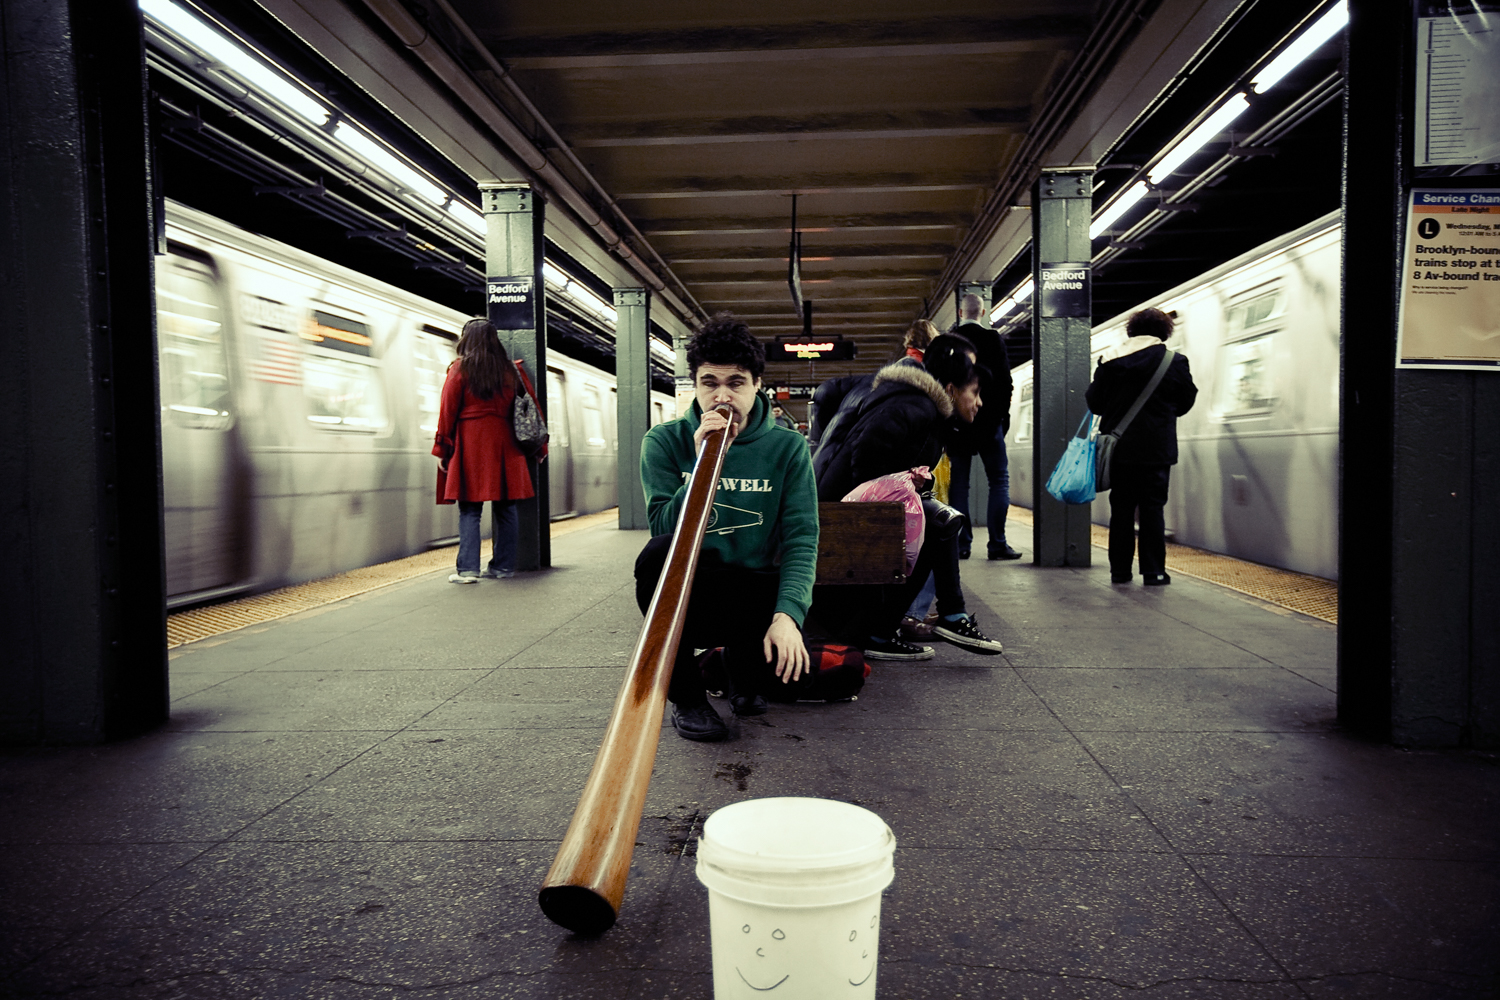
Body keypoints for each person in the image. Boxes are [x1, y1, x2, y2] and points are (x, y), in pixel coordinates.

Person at [637, 313, 820, 741]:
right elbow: (663, 528)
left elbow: (801, 537)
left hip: (754, 593)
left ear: (758, 384)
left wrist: (788, 616)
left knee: (790, 685)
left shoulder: (787, 447)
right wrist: (704, 467)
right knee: (656, 556)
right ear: (695, 386)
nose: (723, 395)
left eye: (736, 382)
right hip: (694, 592)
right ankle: (688, 697)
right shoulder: (664, 442)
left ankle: (742, 668)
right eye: (710, 383)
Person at [813, 334, 1004, 659]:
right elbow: (866, 452)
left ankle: (920, 621)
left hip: (830, 505)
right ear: (950, 388)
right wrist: (892, 498)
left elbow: (827, 392)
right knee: (938, 521)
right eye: (975, 391)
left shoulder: (906, 397)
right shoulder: (915, 405)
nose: (979, 401)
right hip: (835, 518)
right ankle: (923, 621)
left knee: (933, 518)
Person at [1085, 307, 1198, 586]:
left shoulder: (1110, 361)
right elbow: (1186, 400)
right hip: (1157, 450)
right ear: (1164, 332)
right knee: (1152, 510)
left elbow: (1094, 403)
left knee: (1121, 509)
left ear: (1132, 330)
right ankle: (1154, 572)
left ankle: (1120, 572)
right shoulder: (1174, 361)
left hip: (1119, 449)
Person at [432, 318, 537, 583]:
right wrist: (540, 445)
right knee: (506, 509)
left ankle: (467, 570)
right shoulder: (511, 371)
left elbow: (448, 412)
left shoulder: (459, 369)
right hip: (506, 443)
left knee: (470, 509)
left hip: (471, 444)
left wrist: (443, 449)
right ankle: (503, 568)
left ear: (466, 339)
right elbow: (530, 407)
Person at [945, 293, 1022, 561]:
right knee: (998, 481)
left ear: (959, 312)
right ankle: (997, 544)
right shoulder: (993, 339)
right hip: (990, 424)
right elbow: (1005, 383)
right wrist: (1000, 419)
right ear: (983, 312)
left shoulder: (948, 342)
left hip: (957, 423)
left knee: (959, 485)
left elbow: (943, 385)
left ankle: (961, 544)